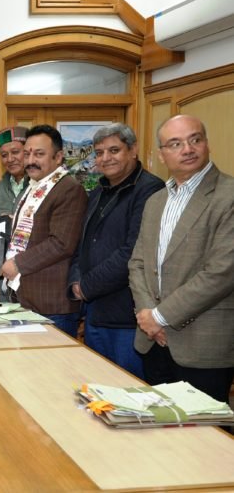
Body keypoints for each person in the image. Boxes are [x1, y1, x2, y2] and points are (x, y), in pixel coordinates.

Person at [129, 114, 234, 403]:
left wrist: (160, 317)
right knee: (159, 427)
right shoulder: (156, 201)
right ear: (161, 154)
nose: (187, 149)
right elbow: (138, 263)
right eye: (175, 144)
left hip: (203, 346)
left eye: (194, 140)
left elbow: (222, 272)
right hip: (153, 342)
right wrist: (148, 316)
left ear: (207, 144)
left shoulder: (228, 196)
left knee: (205, 431)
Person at [68, 124, 163, 377]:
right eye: (99, 153)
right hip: (95, 313)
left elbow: (133, 252)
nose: (105, 158)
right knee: (97, 388)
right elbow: (82, 243)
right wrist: (76, 281)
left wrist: (86, 287)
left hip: (128, 318)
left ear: (133, 150)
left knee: (128, 389)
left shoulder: (151, 190)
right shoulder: (98, 192)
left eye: (114, 150)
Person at [0, 124, 87, 337]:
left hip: (51, 303)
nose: (30, 161)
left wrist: (17, 263)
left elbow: (61, 243)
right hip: (27, 298)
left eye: (39, 154)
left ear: (58, 157)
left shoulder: (69, 189)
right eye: (27, 154)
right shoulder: (34, 186)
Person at [0, 126, 29, 301]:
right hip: (5, 274)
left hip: (33, 271)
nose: (10, 159)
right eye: (4, 155)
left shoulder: (41, 185)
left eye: (15, 152)